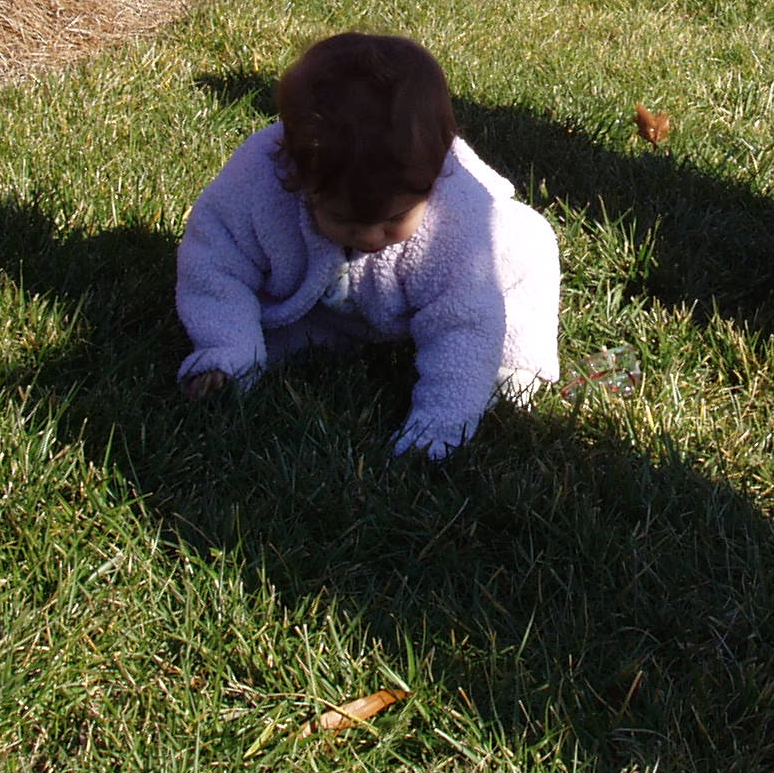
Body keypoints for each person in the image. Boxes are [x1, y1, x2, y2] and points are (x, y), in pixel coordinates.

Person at [175, 32, 562, 460]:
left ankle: (513, 366)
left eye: (395, 219)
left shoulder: (459, 220)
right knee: (277, 337)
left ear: (434, 180)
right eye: (345, 220)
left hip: (490, 280)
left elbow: (465, 323)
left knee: (527, 250)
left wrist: (439, 427)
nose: (372, 238)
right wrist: (227, 349)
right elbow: (215, 264)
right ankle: (238, 361)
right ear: (300, 176)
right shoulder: (258, 180)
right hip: (330, 305)